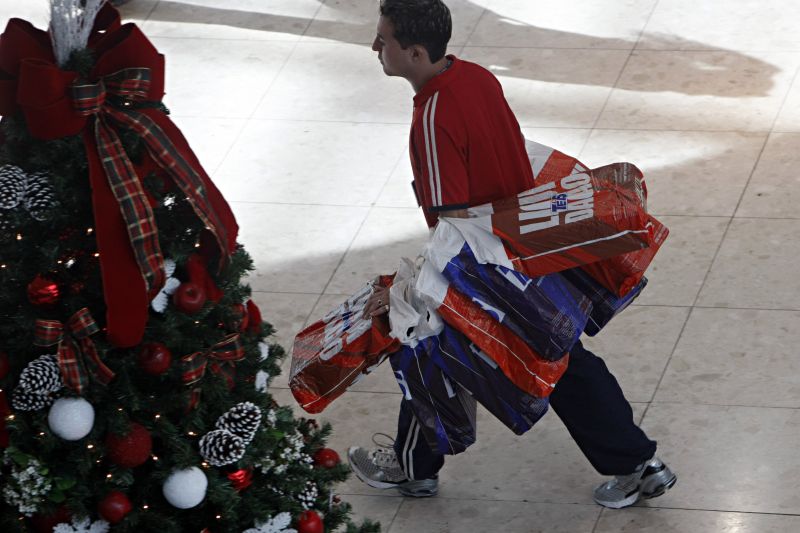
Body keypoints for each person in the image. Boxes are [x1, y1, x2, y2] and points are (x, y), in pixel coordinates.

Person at [348, 0, 676, 509]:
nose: (374, 47)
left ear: (413, 52)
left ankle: (413, 469)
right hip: (526, 244)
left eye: (383, 39)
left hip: (489, 269)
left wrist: (416, 290)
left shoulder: (433, 115)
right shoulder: (475, 77)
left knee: (423, 341)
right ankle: (638, 463)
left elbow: (451, 221)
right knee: (561, 358)